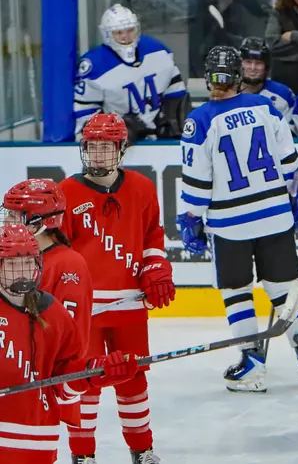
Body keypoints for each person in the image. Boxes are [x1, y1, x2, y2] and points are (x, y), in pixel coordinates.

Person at [177, 46, 298, 392]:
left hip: (230, 223)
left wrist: (191, 217)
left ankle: (252, 365)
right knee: (284, 289)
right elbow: (288, 162)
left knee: (237, 292)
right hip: (274, 215)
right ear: (238, 75)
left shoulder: (201, 120)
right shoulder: (265, 107)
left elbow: (198, 181)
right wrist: (293, 197)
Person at [58, 114, 174, 464]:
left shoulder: (141, 187)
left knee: (133, 380)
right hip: (84, 310)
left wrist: (155, 265)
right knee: (86, 383)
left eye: (105, 147)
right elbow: (59, 252)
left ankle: (142, 450)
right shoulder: (67, 191)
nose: (97, 155)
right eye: (92, 147)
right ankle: (83, 455)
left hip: (129, 304)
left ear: (121, 148)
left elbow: (153, 233)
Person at [0, 224, 139, 464]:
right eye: (12, 264)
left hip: (38, 444)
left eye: (29, 261)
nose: (21, 271)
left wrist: (97, 372)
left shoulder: (53, 313)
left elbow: (62, 383)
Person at [2, 179, 94, 430]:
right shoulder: (9, 256)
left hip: (40, 391)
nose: (7, 220)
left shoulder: (68, 265)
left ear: (38, 222)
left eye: (14, 214)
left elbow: (71, 342)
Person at [73, 4, 190, 142]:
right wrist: (113, 129)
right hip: (119, 147)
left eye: (130, 30)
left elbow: (176, 93)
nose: (126, 37)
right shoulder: (94, 66)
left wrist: (172, 120)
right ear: (107, 35)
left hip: (159, 138)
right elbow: (85, 115)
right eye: (118, 32)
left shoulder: (157, 50)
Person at [239, 37, 296, 118]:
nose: (252, 68)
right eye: (248, 62)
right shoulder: (226, 92)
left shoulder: (283, 94)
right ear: (239, 64)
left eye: (258, 63)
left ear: (266, 67)